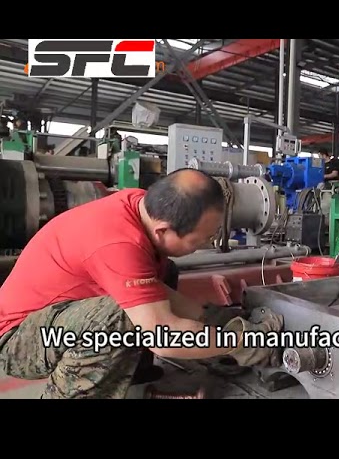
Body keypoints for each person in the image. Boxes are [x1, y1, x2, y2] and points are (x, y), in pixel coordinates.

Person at [0, 168, 283, 399]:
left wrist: (220, 321)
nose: (207, 244)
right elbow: (163, 338)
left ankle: (132, 377)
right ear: (163, 230)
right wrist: (240, 342)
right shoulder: (119, 244)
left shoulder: (141, 206)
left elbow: (157, 293)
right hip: (18, 340)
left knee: (164, 272)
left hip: (60, 315)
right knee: (115, 318)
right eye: (201, 240)